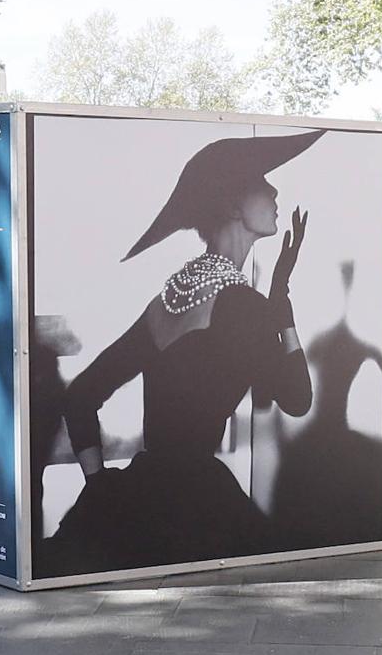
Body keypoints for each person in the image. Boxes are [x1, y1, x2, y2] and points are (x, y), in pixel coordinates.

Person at [35, 131, 321, 577]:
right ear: (230, 207)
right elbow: (298, 399)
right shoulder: (243, 306)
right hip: (197, 507)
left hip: (140, 492)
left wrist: (101, 490)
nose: (274, 190)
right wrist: (281, 304)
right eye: (260, 182)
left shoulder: (173, 293)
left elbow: (82, 396)